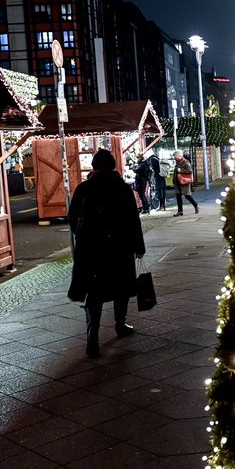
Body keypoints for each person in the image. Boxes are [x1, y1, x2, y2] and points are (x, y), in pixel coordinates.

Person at [67, 149, 145, 358]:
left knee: (95, 293)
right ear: (112, 166)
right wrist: (139, 246)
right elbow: (132, 219)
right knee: (121, 287)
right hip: (120, 247)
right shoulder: (122, 188)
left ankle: (92, 338)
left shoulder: (84, 188)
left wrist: (82, 238)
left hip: (92, 249)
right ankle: (120, 324)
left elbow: (73, 218)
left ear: (93, 166)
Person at [172, 149, 199, 217]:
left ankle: (196, 206)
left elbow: (189, 170)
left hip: (184, 182)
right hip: (178, 182)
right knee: (178, 197)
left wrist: (181, 170)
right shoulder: (177, 162)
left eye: (175, 156)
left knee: (187, 196)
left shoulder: (185, 162)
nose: (174, 158)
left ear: (179, 156)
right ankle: (180, 211)